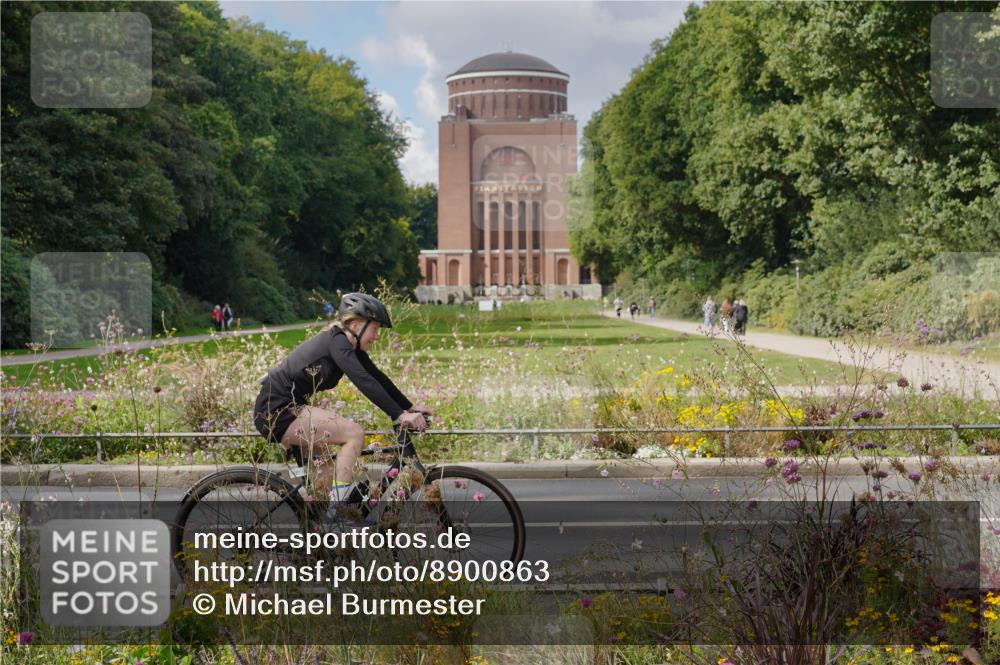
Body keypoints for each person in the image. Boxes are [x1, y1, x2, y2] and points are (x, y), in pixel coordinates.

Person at [253, 293, 432, 507]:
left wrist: (408, 407)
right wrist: (401, 415)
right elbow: (363, 381)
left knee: (325, 480)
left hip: (292, 408)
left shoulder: (347, 346)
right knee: (353, 433)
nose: (376, 337)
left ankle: (326, 526)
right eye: (374, 329)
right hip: (277, 410)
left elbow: (377, 378)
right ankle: (340, 508)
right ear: (355, 324)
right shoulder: (337, 342)